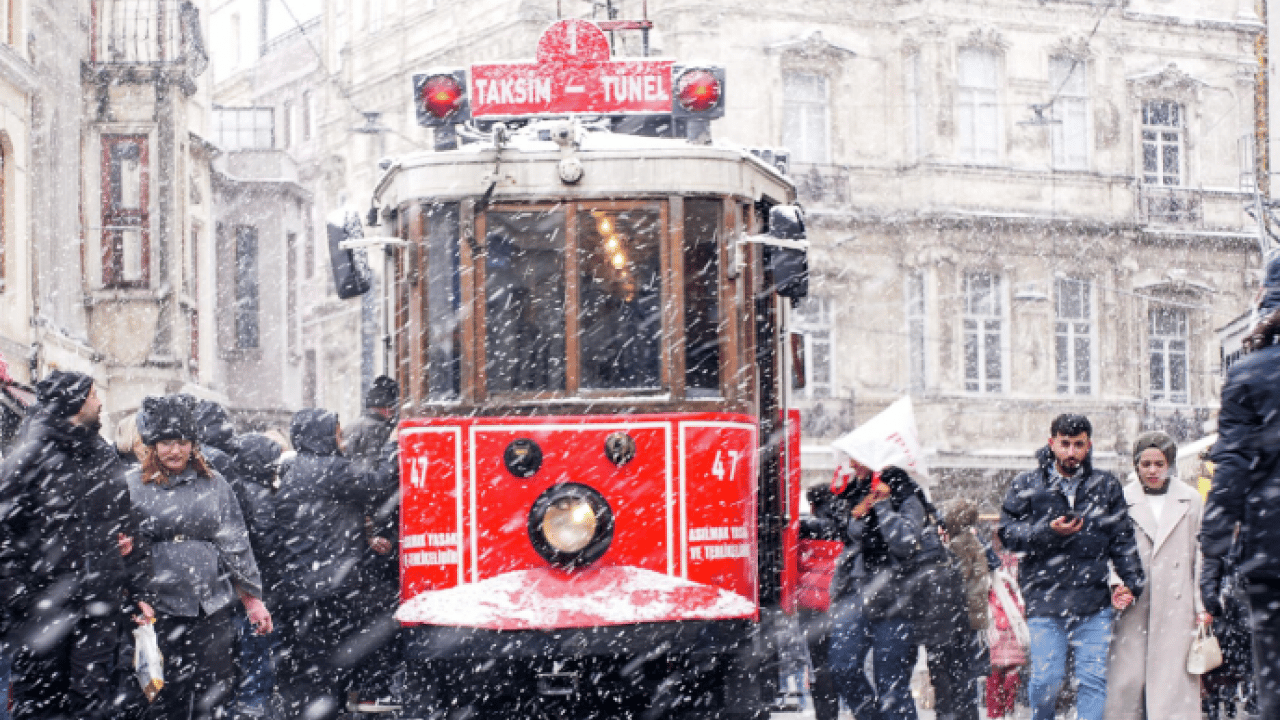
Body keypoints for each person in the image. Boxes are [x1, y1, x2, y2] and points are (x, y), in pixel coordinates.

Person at [0, 371, 151, 720]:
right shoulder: (30, 456)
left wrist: (137, 584)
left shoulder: (102, 455)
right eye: (93, 394)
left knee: (91, 702)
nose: (99, 401)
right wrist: (21, 597)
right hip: (43, 608)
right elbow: (6, 533)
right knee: (40, 703)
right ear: (74, 403)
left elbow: (125, 525)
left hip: (97, 605)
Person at [126, 394, 271, 720]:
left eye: (182, 441)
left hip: (211, 605)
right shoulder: (133, 485)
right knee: (163, 695)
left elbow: (236, 542)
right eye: (166, 442)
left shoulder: (214, 483)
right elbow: (124, 549)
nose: (174, 451)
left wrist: (252, 600)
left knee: (215, 690)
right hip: (157, 607)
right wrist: (136, 597)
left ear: (193, 444)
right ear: (152, 444)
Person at [998, 414, 1144, 720]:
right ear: (1051, 443)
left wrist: (1132, 581)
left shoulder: (1105, 485)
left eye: (1078, 445)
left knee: (1093, 681)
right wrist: (1047, 532)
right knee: (1045, 680)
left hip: (1093, 601)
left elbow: (1122, 539)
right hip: (1044, 600)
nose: (1071, 452)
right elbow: (1008, 535)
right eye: (1064, 444)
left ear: (1089, 446)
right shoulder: (1027, 484)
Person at [273, 408, 394, 720]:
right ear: (322, 436)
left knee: (313, 666)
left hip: (301, 585)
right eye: (337, 433)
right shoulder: (331, 469)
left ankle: (326, 707)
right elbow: (378, 483)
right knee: (376, 631)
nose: (342, 440)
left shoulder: (296, 467)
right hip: (332, 585)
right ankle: (364, 701)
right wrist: (394, 448)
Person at [1201, 253, 1280, 719]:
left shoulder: (1249, 373)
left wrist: (1213, 541)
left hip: (1270, 552)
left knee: (1271, 677)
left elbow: (1229, 463)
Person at [828, 460, 949, 720]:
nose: (852, 465)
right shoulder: (857, 492)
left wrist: (883, 505)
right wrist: (863, 506)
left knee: (892, 684)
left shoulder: (907, 496)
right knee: (841, 666)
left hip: (897, 597)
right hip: (857, 591)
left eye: (858, 460)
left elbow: (904, 542)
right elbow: (852, 534)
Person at [1103, 431, 1207, 720]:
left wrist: (1202, 606)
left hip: (1177, 603)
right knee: (1127, 683)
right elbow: (1110, 549)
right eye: (1145, 464)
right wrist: (1116, 583)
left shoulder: (1191, 500)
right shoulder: (1121, 499)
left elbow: (1200, 556)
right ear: (1136, 465)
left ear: (1170, 463)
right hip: (1134, 602)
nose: (1151, 471)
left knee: (1173, 684)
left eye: (1158, 463)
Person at [227, 432, 284, 720]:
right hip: (258, 588)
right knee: (258, 651)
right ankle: (253, 707)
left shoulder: (239, 488)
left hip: (241, 588)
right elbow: (266, 544)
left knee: (246, 652)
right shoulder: (261, 495)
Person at [929, 498, 988, 720]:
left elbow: (957, 579)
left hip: (959, 620)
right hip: (973, 619)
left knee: (953, 681)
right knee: (966, 678)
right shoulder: (973, 541)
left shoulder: (959, 544)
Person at [986, 561, 1028, 720]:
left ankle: (1001, 712)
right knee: (998, 678)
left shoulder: (1013, 598)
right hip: (1000, 632)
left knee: (1006, 678)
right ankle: (1001, 712)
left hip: (1007, 632)